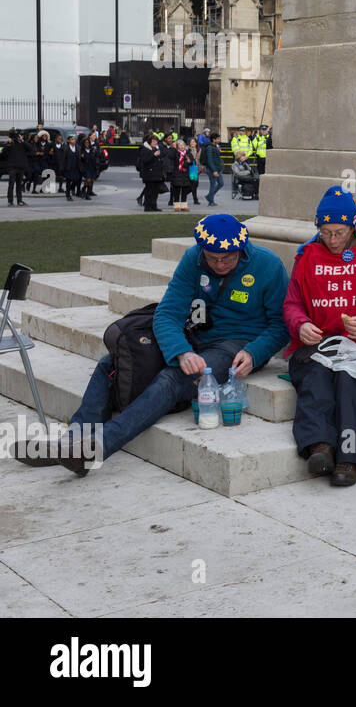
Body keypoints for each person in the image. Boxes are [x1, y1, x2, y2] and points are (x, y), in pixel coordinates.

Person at [18, 215, 289, 474]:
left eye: (227, 258)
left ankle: (96, 447)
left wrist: (254, 353)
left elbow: (281, 324)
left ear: (241, 249)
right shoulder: (193, 258)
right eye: (212, 258)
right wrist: (180, 351)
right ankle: (71, 441)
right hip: (194, 336)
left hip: (238, 345)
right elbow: (167, 313)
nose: (219, 265)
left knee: (171, 379)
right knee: (110, 364)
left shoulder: (268, 265)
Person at [282, 187, 356, 486]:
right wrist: (300, 325)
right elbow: (292, 304)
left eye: (339, 233)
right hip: (316, 344)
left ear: (353, 227)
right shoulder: (306, 255)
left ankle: (350, 458)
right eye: (325, 233)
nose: (332, 240)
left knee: (349, 382)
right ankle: (319, 446)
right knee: (315, 378)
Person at [137, 135, 167, 211]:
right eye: (153, 141)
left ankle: (154, 206)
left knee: (155, 191)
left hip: (156, 173)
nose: (155, 142)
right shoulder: (144, 149)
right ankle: (147, 207)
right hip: (148, 174)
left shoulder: (156, 148)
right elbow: (145, 160)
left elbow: (160, 158)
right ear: (149, 142)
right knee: (149, 191)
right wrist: (153, 155)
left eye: (156, 141)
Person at [2, 130, 27, 206]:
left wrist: (22, 141)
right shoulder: (9, 144)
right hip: (12, 167)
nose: (17, 138)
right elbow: (3, 154)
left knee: (19, 185)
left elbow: (31, 149)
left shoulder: (22, 144)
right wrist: (8, 144)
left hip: (20, 167)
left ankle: (19, 201)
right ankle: (10, 201)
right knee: (11, 184)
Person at [203, 133, 225, 206]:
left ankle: (209, 196)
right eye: (218, 139)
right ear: (213, 139)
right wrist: (214, 170)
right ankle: (211, 201)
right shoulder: (209, 147)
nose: (219, 140)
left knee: (221, 183)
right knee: (213, 184)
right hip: (212, 169)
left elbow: (217, 156)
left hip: (217, 168)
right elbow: (209, 160)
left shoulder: (215, 146)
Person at [186, 137, 202, 204]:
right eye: (191, 142)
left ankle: (194, 199)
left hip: (196, 169)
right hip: (189, 169)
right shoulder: (187, 149)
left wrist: (201, 168)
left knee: (195, 185)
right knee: (191, 184)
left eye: (194, 142)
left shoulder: (199, 149)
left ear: (196, 143)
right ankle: (195, 199)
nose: (192, 143)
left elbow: (200, 159)